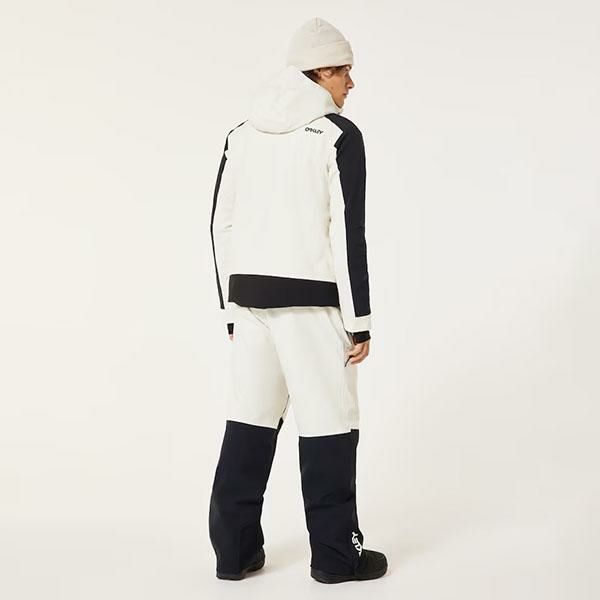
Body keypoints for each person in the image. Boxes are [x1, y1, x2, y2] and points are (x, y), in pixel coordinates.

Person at [208, 16, 387, 584]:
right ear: (321, 72)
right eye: (345, 72)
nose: (351, 84)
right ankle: (336, 557)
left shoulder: (241, 133)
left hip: (250, 304)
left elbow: (221, 224)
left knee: (249, 422)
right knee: (329, 424)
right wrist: (359, 321)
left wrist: (230, 307)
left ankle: (234, 552)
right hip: (313, 308)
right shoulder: (338, 136)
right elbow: (347, 234)